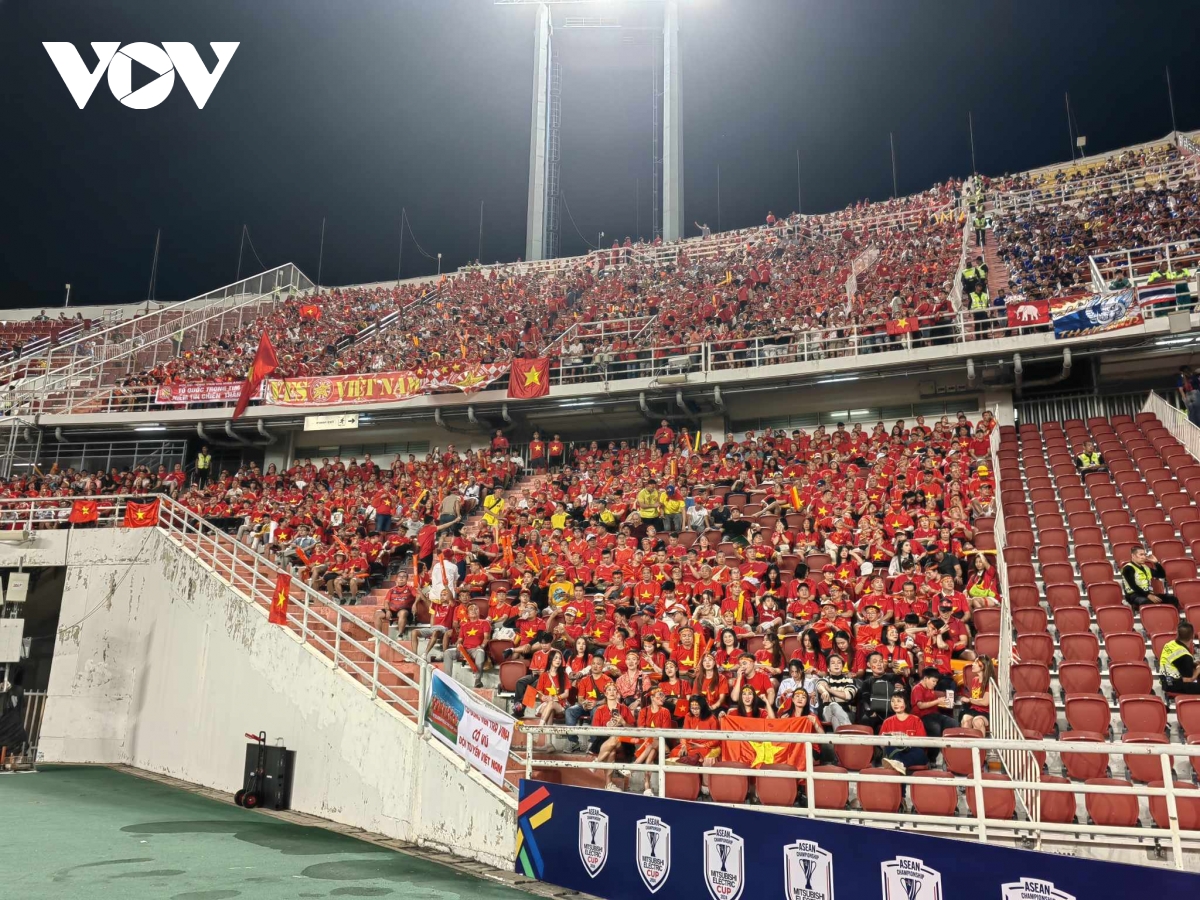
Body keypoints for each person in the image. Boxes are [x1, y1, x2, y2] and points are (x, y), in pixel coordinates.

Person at [879, 692, 927, 775]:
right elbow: (881, 744)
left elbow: (923, 743)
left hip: (912, 751)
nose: (895, 704)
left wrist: (906, 739)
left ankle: (898, 764)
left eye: (899, 701)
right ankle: (899, 765)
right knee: (889, 747)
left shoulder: (916, 720)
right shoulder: (887, 722)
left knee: (920, 753)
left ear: (906, 703)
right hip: (895, 751)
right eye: (893, 701)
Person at [1159, 622, 1200, 696]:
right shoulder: (1185, 656)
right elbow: (1187, 681)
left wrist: (1195, 664)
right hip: (1172, 685)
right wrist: (1198, 670)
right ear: (1192, 636)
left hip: (1165, 680)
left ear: (1177, 634)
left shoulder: (1169, 644)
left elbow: (1177, 661)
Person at [959, 656, 994, 734]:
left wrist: (969, 700)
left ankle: (981, 742)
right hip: (974, 709)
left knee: (977, 721)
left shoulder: (990, 682)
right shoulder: (974, 680)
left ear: (982, 666)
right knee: (965, 719)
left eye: (975, 662)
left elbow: (985, 702)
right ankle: (966, 742)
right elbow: (975, 697)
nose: (973, 664)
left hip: (986, 711)